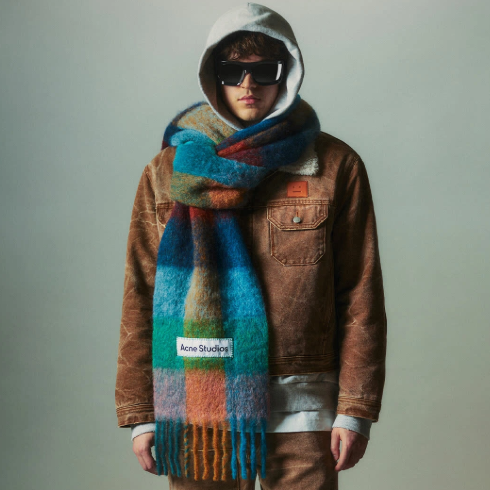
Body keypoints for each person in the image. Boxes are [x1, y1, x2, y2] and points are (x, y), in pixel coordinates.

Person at [115, 3, 387, 489]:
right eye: (232, 71)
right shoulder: (168, 172)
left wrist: (355, 409)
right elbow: (141, 292)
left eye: (264, 71)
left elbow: (359, 293)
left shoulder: (334, 165)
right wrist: (141, 412)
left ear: (287, 74)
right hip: (198, 398)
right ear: (212, 77)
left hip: (304, 408)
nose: (247, 84)